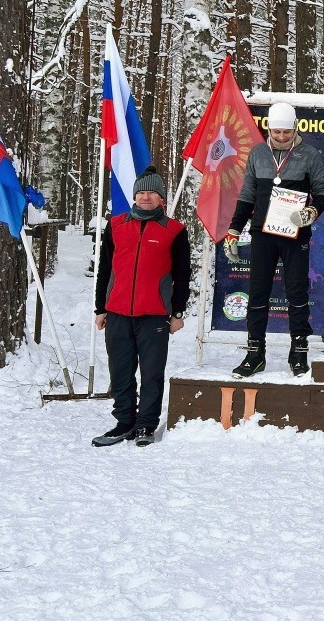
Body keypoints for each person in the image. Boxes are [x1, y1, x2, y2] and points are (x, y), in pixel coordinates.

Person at [224, 102, 324, 378]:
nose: (282, 137)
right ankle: (255, 353)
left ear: (295, 128)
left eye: (286, 132)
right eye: (277, 132)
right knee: (258, 292)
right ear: (268, 129)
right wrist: (235, 229)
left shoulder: (309, 155)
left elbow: (322, 192)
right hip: (263, 234)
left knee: (297, 292)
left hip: (295, 234)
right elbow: (247, 195)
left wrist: (312, 211)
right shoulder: (258, 154)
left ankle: (298, 352)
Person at [92, 166, 190, 447]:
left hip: (155, 315)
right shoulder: (116, 225)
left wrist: (178, 313)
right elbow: (106, 270)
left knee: (151, 373)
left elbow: (183, 275)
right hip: (118, 312)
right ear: (135, 196)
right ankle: (124, 422)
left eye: (152, 193)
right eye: (142, 192)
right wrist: (101, 308)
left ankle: (146, 424)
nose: (146, 197)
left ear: (161, 198)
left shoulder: (174, 230)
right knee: (120, 371)